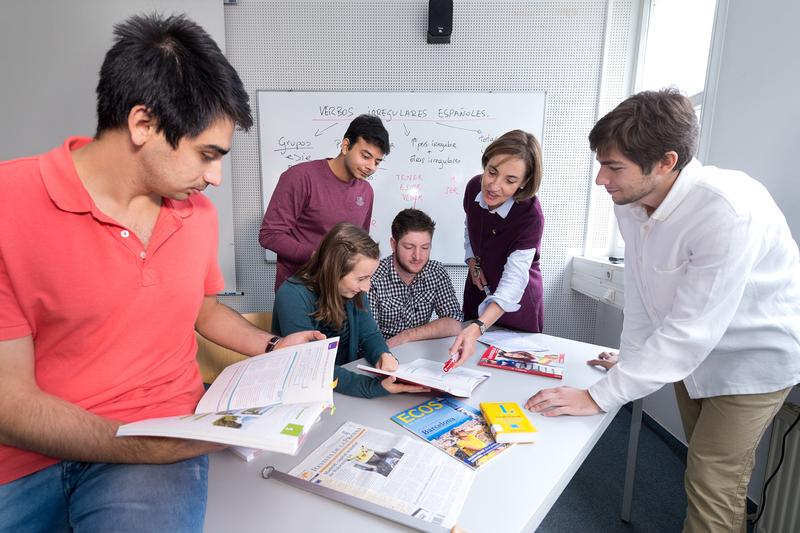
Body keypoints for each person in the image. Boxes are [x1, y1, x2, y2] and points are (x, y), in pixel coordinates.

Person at [0, 14, 322, 532]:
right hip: (25, 458)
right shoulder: (7, 205)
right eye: (206, 155)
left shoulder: (196, 215)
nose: (215, 177)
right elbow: (9, 404)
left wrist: (271, 347)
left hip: (160, 432)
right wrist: (149, 442)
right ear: (143, 124)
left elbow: (205, 308)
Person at [525, 89, 800, 532]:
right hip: (691, 358)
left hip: (750, 360)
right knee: (701, 469)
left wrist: (599, 394)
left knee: (713, 479)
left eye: (614, 167)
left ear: (666, 162)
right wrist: (631, 362)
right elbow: (642, 296)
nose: (601, 180)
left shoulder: (727, 210)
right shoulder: (632, 204)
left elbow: (690, 331)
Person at [272, 222, 429, 398]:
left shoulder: (353, 290)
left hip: (343, 386)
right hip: (304, 390)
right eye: (361, 278)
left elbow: (369, 334)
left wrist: (382, 354)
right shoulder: (292, 295)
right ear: (334, 271)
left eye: (369, 277)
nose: (366, 287)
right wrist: (372, 387)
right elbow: (311, 366)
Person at [259, 114, 390, 291]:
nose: (371, 167)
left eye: (377, 161)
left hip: (341, 295)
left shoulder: (366, 191)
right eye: (366, 156)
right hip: (299, 290)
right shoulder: (300, 177)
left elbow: (360, 244)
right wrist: (319, 258)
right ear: (346, 146)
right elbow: (270, 235)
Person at [448, 129, 545, 367]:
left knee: (510, 369)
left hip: (516, 301)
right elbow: (468, 226)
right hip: (479, 287)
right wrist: (472, 262)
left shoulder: (530, 216)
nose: (494, 185)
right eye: (492, 172)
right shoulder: (474, 188)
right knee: (470, 361)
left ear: (524, 184)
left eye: (510, 180)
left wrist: (480, 326)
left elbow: (514, 281)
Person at [369, 208, 463, 347]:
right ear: (393, 244)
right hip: (382, 357)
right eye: (408, 247)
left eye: (425, 247)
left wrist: (407, 336)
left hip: (418, 356)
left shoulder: (436, 271)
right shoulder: (373, 277)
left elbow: (454, 323)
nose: (417, 256)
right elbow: (368, 338)